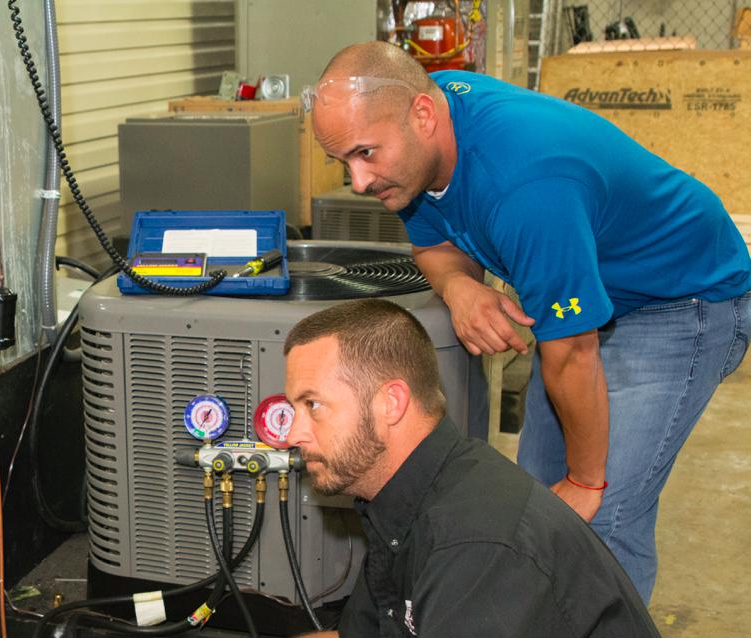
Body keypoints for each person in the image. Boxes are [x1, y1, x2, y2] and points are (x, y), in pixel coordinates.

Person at [135, 300, 730, 638]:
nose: (291, 433)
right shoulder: (411, 494)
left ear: (390, 403)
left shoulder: (483, 538)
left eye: (312, 405)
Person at [306, 41, 750, 603]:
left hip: (680, 299)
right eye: (342, 161)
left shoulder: (527, 188)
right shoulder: (425, 141)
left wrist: (587, 481)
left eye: (366, 153)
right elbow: (434, 243)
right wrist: (460, 287)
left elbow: (573, 353)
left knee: (602, 518)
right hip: (592, 292)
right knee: (537, 499)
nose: (359, 181)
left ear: (422, 114)